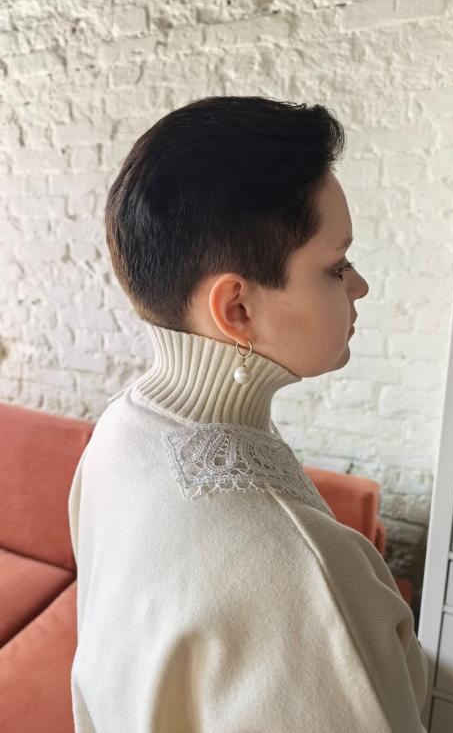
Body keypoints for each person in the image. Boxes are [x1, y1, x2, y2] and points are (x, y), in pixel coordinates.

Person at [68, 95, 429, 732]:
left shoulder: (119, 428)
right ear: (236, 309)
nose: (359, 286)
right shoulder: (308, 576)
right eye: (337, 266)